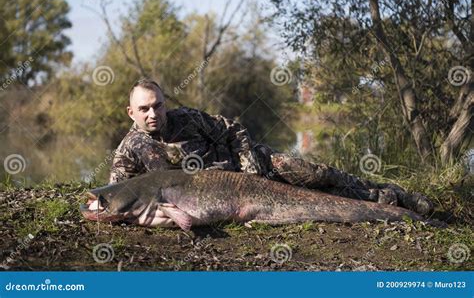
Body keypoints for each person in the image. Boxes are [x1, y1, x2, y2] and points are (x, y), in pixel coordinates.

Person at [109, 79, 433, 226]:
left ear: (165, 103)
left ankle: (391, 195)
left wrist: (251, 171)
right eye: (144, 109)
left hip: (252, 167)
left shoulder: (188, 119)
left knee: (317, 175)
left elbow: (234, 130)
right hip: (218, 195)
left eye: (158, 105)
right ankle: (385, 204)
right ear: (131, 112)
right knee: (312, 196)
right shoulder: (129, 151)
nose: (153, 114)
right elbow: (117, 193)